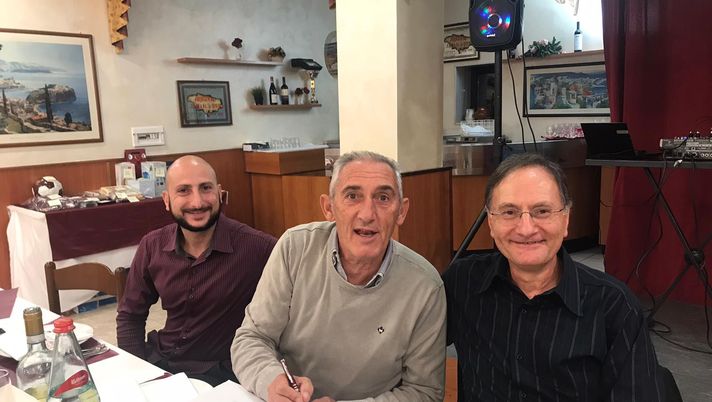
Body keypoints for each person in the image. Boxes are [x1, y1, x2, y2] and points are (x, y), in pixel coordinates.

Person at [444, 153, 663, 401]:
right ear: (491, 222)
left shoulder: (614, 306)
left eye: (542, 211)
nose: (526, 228)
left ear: (566, 218)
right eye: (509, 212)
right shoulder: (462, 282)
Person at [231, 151, 446, 402]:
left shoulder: (425, 286)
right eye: (352, 196)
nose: (367, 214)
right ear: (329, 207)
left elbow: (424, 391)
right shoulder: (294, 248)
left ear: (401, 211)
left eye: (383, 198)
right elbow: (252, 338)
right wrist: (271, 380)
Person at [117, 155, 277, 386]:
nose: (197, 202)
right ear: (166, 200)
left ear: (220, 193)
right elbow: (130, 315)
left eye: (206, 188)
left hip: (224, 375)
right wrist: (137, 373)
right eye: (183, 190)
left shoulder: (259, 247)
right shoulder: (152, 245)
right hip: (162, 363)